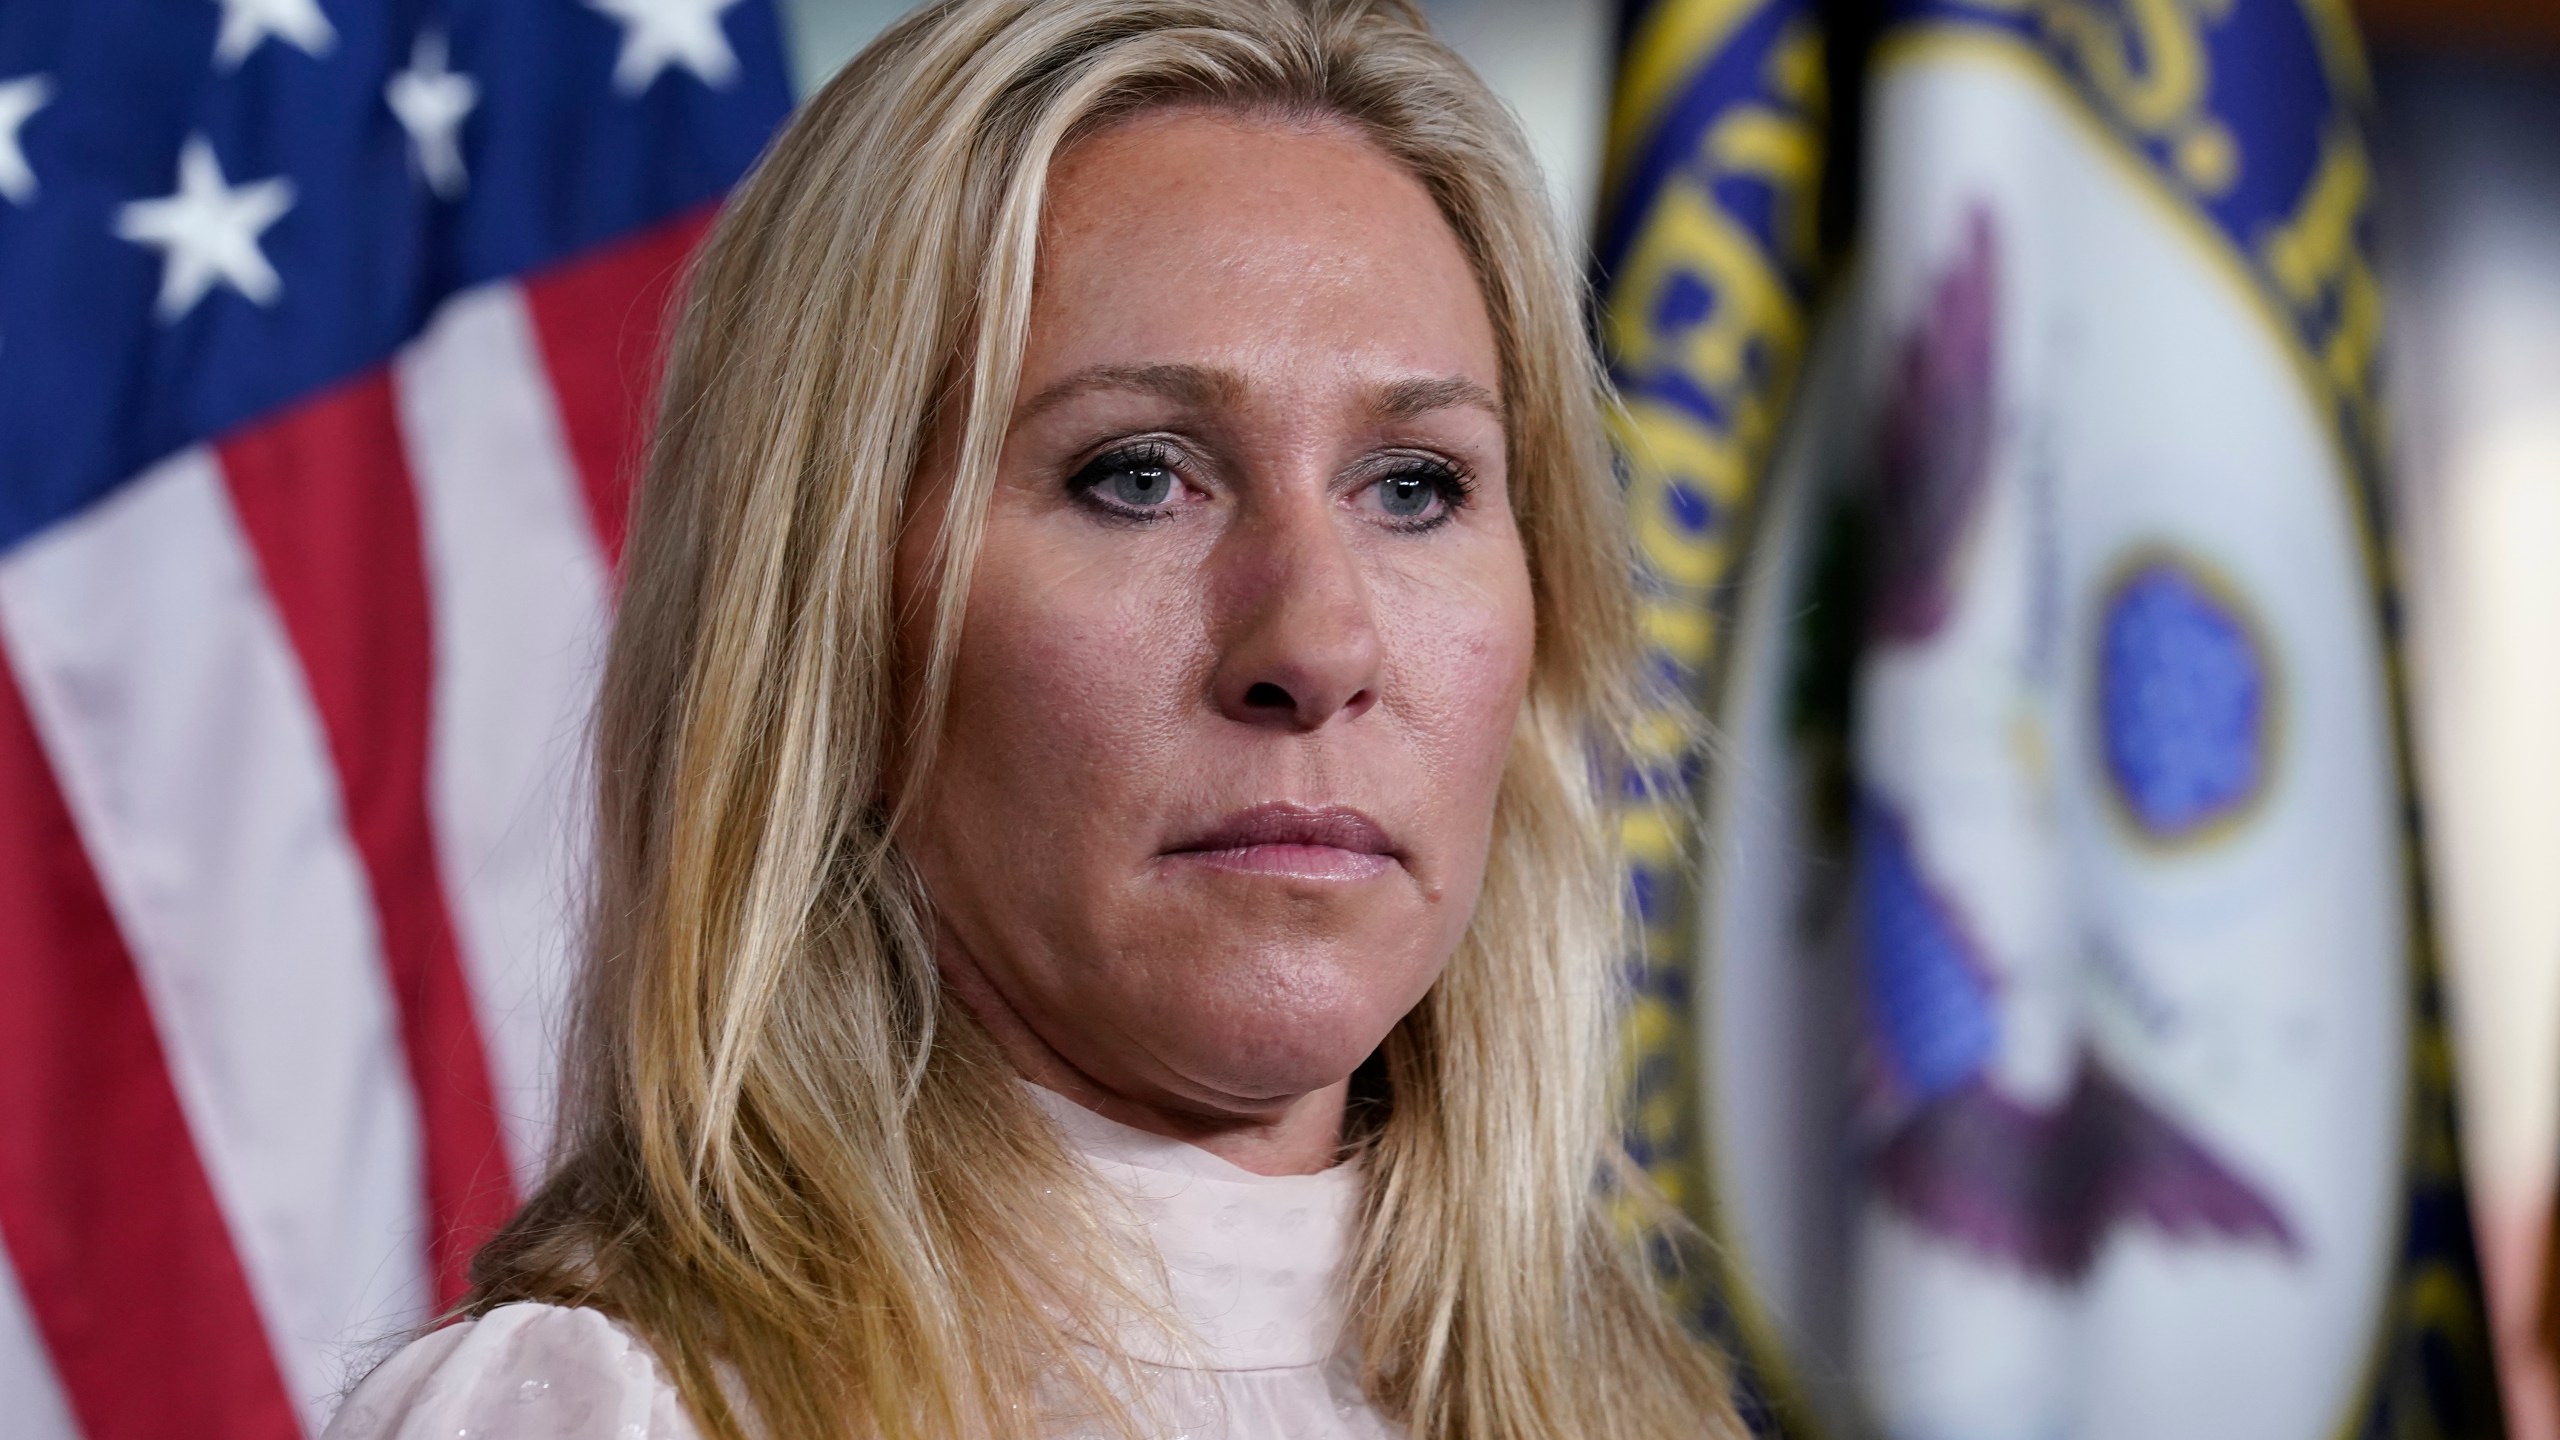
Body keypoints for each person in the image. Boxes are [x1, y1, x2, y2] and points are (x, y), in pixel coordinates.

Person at [325, 1, 1743, 1436]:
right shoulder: (618, 1413)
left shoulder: (1641, 1409)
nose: (1317, 643)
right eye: (1137, 475)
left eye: (1415, 486)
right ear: (837, 621)